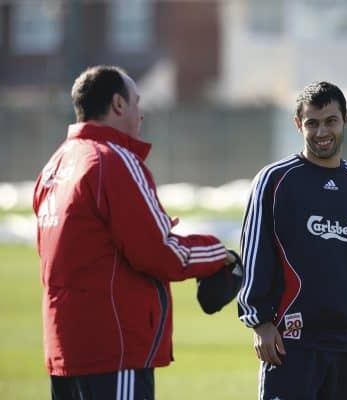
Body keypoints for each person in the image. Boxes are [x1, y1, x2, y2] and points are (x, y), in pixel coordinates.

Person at [33, 65, 236, 400]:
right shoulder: (113, 160)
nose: (141, 114)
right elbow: (160, 252)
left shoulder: (55, 165)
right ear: (118, 104)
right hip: (114, 348)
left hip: (64, 349)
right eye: (136, 102)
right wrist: (220, 254)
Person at [237, 81, 347, 399]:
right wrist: (260, 322)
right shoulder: (275, 181)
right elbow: (255, 253)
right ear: (298, 123)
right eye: (312, 123)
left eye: (330, 121)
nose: (321, 132)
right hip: (291, 343)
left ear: (346, 119)